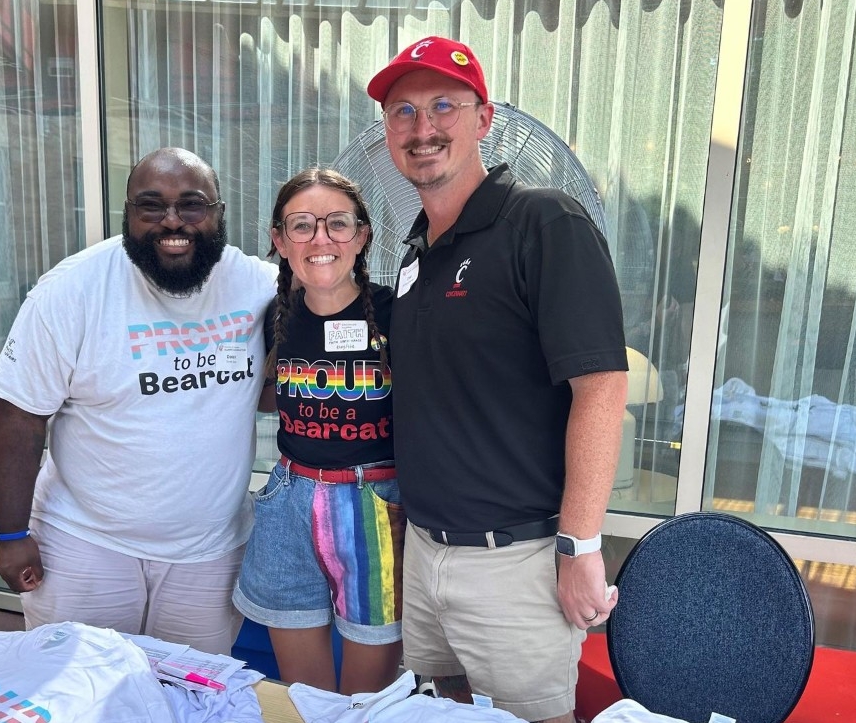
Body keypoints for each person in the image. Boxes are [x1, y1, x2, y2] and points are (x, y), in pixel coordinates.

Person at [367, 37, 628, 722]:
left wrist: (582, 546)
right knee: (437, 710)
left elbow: (601, 389)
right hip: (426, 552)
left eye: (443, 106)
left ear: (484, 119)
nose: (423, 129)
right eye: (403, 112)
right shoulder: (414, 249)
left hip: (518, 562)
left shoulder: (545, 222)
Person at [0, 147, 277, 655]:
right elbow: (19, 419)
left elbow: (284, 379)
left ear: (219, 212)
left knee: (193, 702)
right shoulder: (72, 290)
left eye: (192, 205)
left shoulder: (259, 285)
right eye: (150, 206)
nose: (172, 221)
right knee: (81, 701)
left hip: (209, 554)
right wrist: (11, 536)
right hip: (84, 545)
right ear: (127, 214)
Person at [233, 169, 402, 693]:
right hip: (289, 500)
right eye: (302, 226)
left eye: (337, 224)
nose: (321, 239)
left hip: (375, 503)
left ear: (363, 235)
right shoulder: (272, 317)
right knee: (306, 699)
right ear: (280, 242)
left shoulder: (399, 314)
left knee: (363, 704)